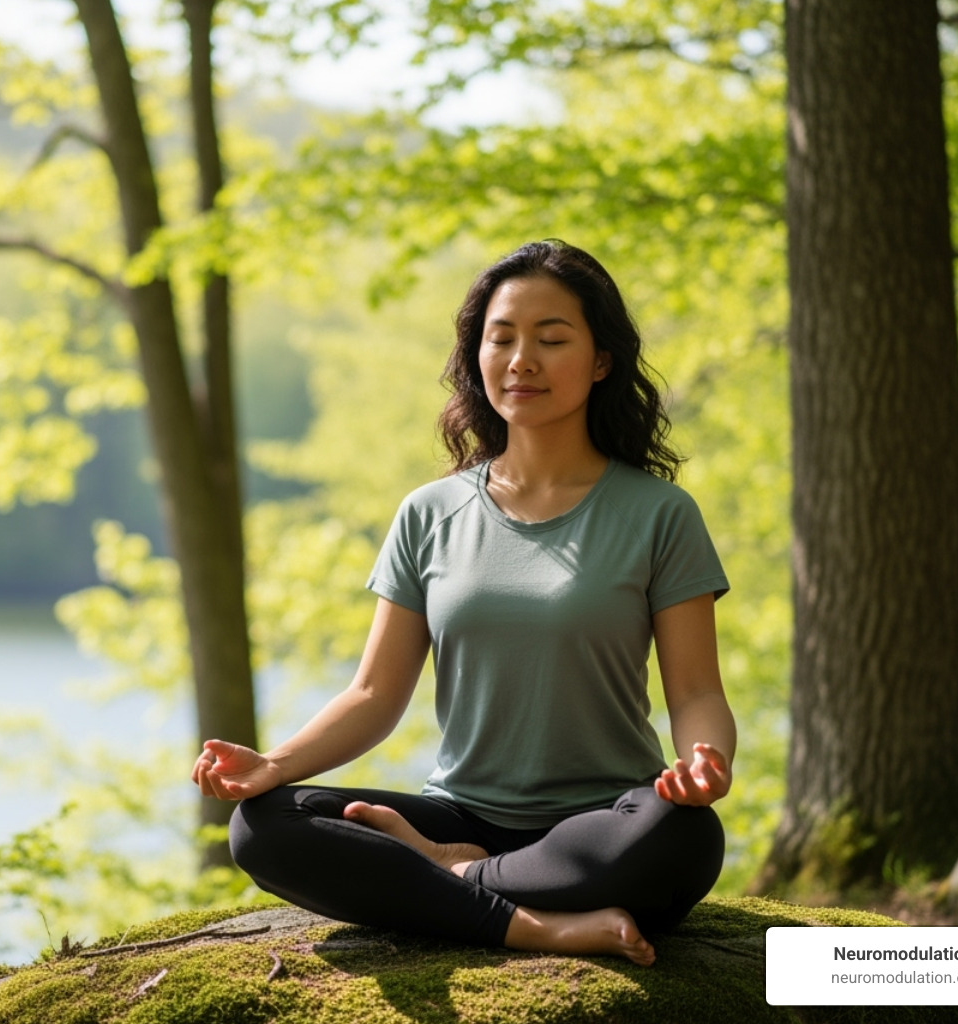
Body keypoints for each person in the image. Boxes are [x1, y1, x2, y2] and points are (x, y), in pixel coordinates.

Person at [191, 240, 735, 966]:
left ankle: (457, 876)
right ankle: (535, 926)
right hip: (459, 810)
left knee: (686, 836)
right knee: (263, 826)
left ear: (601, 360)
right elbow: (374, 694)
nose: (521, 360)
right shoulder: (430, 513)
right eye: (501, 338)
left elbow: (697, 690)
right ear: (476, 356)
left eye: (552, 338)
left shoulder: (659, 515)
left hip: (604, 820)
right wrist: (274, 764)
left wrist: (706, 761)